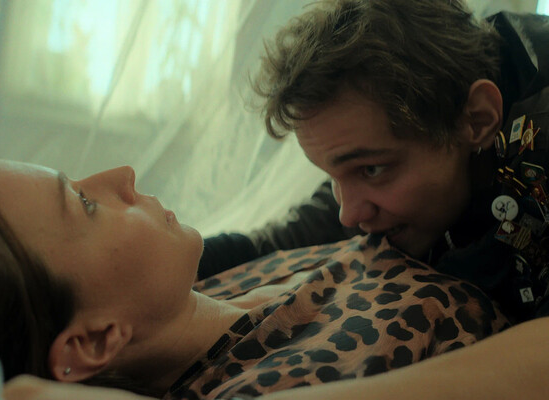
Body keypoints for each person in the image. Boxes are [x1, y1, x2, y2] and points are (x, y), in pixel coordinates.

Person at [197, 0, 549, 398]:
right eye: (332, 175)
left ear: (477, 121)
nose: (349, 214)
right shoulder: (386, 137)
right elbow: (291, 236)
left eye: (371, 170)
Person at [0, 154, 509, 400]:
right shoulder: (270, 386)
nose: (122, 174)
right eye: (84, 204)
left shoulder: (206, 287)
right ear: (95, 340)